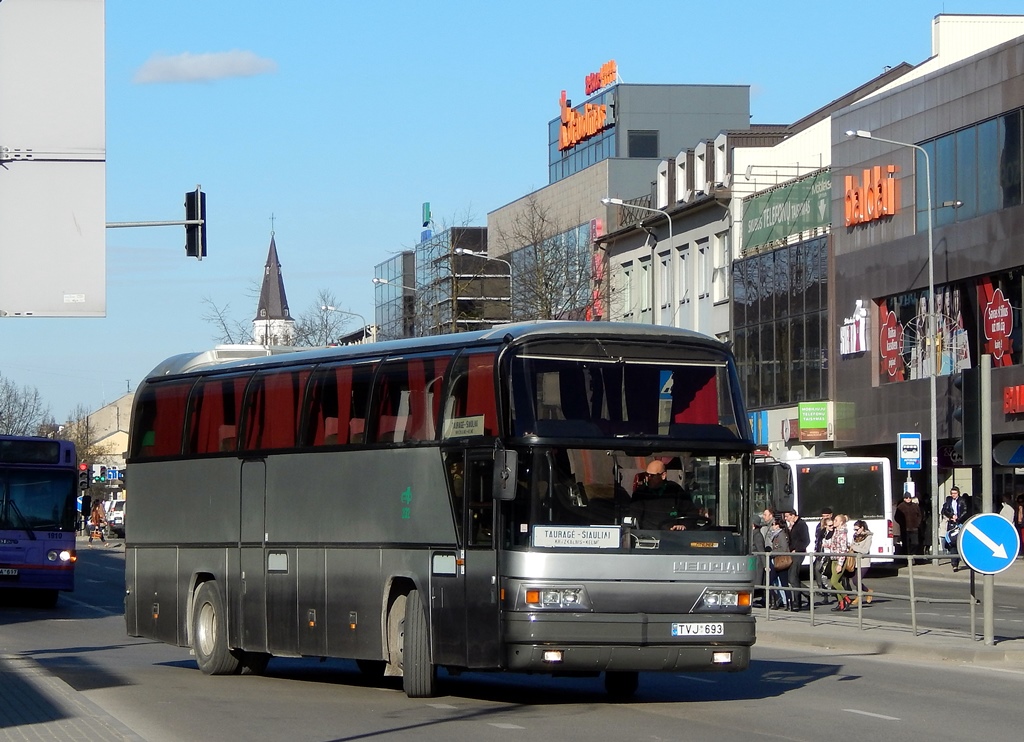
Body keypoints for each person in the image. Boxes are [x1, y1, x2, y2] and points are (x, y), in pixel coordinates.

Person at [630, 460, 695, 529]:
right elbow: (634, 517)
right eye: (646, 475)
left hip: (673, 536)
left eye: (652, 476)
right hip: (647, 537)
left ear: (663, 475)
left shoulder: (676, 490)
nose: (648, 479)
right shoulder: (640, 493)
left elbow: (691, 513)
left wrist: (683, 525)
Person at [783, 509, 810, 611]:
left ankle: (797, 602)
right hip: (793, 553)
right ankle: (807, 593)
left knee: (793, 577)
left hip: (799, 553)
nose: (786, 519)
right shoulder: (793, 525)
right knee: (792, 577)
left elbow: (806, 540)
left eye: (787, 516)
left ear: (793, 515)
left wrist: (797, 549)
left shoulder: (801, 525)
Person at [823, 513, 852, 611]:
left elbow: (843, 549)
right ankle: (841, 604)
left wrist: (840, 563)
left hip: (839, 560)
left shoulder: (843, 533)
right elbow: (833, 545)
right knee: (837, 582)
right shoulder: (835, 531)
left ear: (841, 522)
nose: (834, 521)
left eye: (836, 520)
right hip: (833, 558)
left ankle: (847, 598)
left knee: (834, 581)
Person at [764, 508, 791, 609]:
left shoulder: (781, 535)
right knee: (771, 581)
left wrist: (771, 553)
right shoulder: (775, 535)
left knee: (783, 583)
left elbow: (783, 548)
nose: (772, 527)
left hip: (781, 561)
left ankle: (788, 602)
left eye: (774, 525)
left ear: (778, 525)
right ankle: (776, 601)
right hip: (776, 560)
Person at [941, 486, 970, 571]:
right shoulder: (949, 501)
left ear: (958, 493)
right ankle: (954, 564)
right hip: (951, 524)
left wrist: (958, 518)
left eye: (955, 493)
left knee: (960, 541)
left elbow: (965, 511)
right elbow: (944, 510)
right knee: (952, 542)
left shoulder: (961, 500)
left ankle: (962, 558)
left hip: (960, 523)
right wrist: (951, 516)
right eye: (952, 493)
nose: (953, 495)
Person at [848, 520, 874, 605]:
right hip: (855, 561)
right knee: (854, 580)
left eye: (857, 529)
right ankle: (868, 591)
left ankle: (859, 596)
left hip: (864, 562)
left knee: (857, 580)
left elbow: (865, 550)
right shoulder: (855, 536)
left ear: (862, 528)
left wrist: (854, 547)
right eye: (854, 529)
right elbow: (852, 545)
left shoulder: (868, 536)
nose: (855, 531)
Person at [894, 491, 923, 563]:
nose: (908, 499)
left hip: (914, 528)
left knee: (915, 543)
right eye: (906, 498)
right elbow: (896, 517)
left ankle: (912, 555)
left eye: (909, 497)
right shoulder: (901, 506)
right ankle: (908, 558)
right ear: (904, 498)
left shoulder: (915, 506)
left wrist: (917, 523)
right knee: (906, 544)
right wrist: (902, 524)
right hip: (905, 529)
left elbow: (920, 515)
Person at [813, 508, 835, 604]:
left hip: (831, 556)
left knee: (830, 576)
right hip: (821, 555)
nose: (825, 517)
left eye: (827, 516)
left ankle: (836, 594)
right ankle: (824, 592)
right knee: (818, 571)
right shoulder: (820, 529)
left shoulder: (834, 529)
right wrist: (817, 549)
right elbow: (818, 540)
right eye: (823, 516)